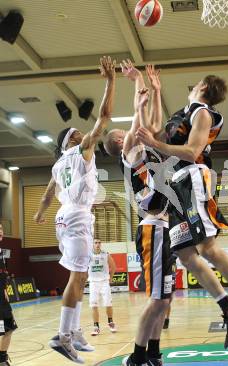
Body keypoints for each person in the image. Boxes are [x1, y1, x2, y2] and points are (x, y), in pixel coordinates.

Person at [135, 75, 228, 350]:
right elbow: (155, 135)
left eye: (197, 82)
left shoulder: (203, 113)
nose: (193, 83)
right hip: (175, 185)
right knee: (185, 254)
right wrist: (152, 96)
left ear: (204, 88)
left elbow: (191, 151)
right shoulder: (182, 114)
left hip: (192, 178)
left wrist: (157, 144)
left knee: (207, 248)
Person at [33, 56, 116, 364]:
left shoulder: (58, 164)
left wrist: (41, 214)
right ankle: (63, 336)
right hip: (77, 215)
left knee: (78, 277)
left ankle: (74, 331)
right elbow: (105, 117)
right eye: (78, 132)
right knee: (77, 277)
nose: (84, 133)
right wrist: (110, 81)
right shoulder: (81, 151)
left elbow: (46, 194)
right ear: (72, 140)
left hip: (65, 216)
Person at [104, 61, 174, 366]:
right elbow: (138, 123)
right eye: (127, 132)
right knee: (157, 298)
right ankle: (137, 356)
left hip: (166, 227)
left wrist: (156, 90)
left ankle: (154, 353)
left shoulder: (147, 148)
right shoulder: (129, 152)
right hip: (152, 228)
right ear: (120, 141)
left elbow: (154, 124)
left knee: (166, 299)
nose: (133, 132)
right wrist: (136, 83)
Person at [88, 239, 117, 336]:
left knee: (108, 303)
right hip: (93, 282)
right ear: (92, 244)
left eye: (99, 243)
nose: (97, 244)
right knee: (94, 304)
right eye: (95, 242)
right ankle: (96, 327)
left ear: (101, 244)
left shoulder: (106, 254)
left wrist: (111, 278)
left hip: (104, 281)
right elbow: (83, 267)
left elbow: (113, 266)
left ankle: (111, 322)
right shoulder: (88, 255)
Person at [0, 224, 17, 366]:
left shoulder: (1, 252)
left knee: (9, 328)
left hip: (2, 299)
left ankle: (2, 359)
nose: (0, 231)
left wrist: (5, 289)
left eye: (1, 228)